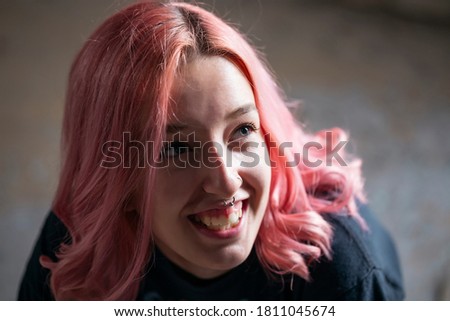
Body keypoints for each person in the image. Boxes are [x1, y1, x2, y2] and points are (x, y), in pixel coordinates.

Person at [18, 1, 404, 300]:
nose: (225, 180)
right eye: (178, 148)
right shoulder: (74, 246)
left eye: (244, 130)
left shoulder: (340, 270)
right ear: (116, 180)